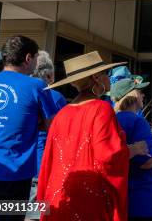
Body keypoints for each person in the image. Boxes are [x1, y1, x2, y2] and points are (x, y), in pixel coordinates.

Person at [37, 51, 131, 221]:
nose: (108, 78)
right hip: (88, 199)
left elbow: (48, 160)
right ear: (96, 77)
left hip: (58, 194)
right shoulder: (101, 109)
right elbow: (109, 158)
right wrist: (129, 147)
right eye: (105, 74)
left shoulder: (61, 114)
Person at [0, 35, 56, 219]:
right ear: (28, 58)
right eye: (36, 58)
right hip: (13, 175)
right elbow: (54, 127)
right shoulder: (38, 85)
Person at [112, 75, 152, 221]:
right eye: (140, 91)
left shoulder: (111, 119)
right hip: (144, 201)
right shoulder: (137, 121)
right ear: (132, 96)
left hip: (121, 200)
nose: (143, 95)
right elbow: (147, 162)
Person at [27, 51, 67, 221]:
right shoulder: (56, 97)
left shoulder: (24, 92)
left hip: (18, 165)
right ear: (49, 75)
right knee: (36, 216)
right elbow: (63, 132)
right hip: (42, 166)